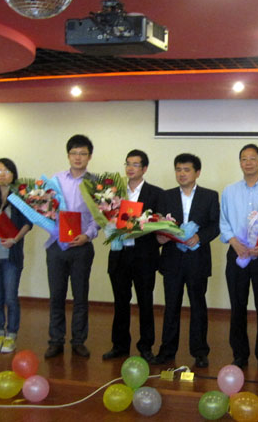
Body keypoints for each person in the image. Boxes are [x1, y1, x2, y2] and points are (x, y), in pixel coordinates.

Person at [152, 153, 220, 368]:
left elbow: (215, 225)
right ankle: (167, 350)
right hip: (172, 258)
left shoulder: (210, 196)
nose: (182, 174)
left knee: (198, 305)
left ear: (197, 172)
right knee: (171, 305)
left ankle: (199, 351)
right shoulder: (166, 196)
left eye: (186, 170)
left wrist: (199, 237)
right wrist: (160, 236)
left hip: (197, 258)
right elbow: (157, 223)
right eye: (178, 169)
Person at [219, 144, 258, 373]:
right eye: (244, 159)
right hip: (237, 255)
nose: (248, 163)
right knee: (238, 306)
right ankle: (239, 355)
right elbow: (224, 221)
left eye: (253, 158)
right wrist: (235, 243)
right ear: (240, 163)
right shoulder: (229, 191)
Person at [103, 150, 163, 363]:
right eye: (128, 164)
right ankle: (119, 345)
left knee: (145, 302)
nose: (130, 168)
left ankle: (146, 346)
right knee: (120, 302)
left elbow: (160, 225)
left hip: (144, 256)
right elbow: (105, 216)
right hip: (119, 254)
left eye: (136, 164)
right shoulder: (113, 193)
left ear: (144, 168)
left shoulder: (156, 193)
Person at [44, 134, 100, 359]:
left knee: (80, 296)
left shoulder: (96, 183)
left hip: (82, 246)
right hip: (56, 246)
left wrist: (87, 235)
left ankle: (78, 340)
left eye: (83, 153)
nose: (78, 157)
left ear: (89, 156)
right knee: (56, 296)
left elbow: (100, 216)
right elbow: (45, 210)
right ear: (68, 155)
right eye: (74, 153)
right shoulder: (55, 181)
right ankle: (55, 340)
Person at [0, 158, 32, 354]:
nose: (2, 174)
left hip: (11, 254)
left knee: (10, 297)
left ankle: (11, 335)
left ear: (13, 175)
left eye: (6, 171)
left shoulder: (20, 197)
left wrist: (15, 239)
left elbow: (28, 223)